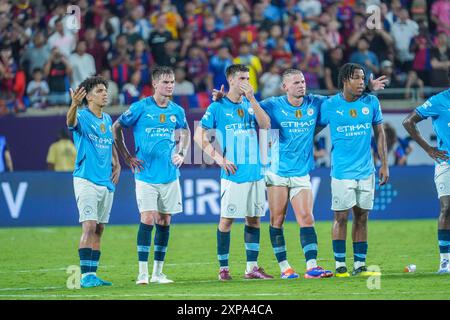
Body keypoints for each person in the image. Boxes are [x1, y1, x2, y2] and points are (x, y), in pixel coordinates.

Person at [212, 69, 387, 279]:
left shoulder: (315, 103)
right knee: (277, 220)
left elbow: (343, 97)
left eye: (303, 81)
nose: (301, 85)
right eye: (296, 82)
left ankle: (312, 266)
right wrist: (223, 99)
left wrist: (368, 88)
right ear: (284, 87)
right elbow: (245, 107)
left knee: (307, 217)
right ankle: (285, 267)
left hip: (301, 172)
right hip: (276, 170)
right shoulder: (273, 104)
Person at [194, 64, 272, 281]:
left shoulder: (250, 103)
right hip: (234, 173)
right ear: (230, 80)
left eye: (248, 77)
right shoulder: (217, 106)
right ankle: (223, 269)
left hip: (255, 172)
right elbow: (198, 136)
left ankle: (252, 268)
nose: (246, 81)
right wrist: (220, 159)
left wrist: (253, 100)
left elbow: (266, 125)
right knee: (226, 220)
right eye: (241, 78)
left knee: (254, 220)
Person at [113, 66, 190, 285]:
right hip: (145, 175)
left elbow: (185, 132)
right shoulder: (140, 107)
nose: (170, 85)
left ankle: (158, 273)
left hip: (170, 175)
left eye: (172, 82)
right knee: (147, 218)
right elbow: (116, 127)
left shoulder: (177, 110)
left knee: (165, 221)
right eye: (166, 82)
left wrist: (182, 153)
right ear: (155, 84)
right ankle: (142, 273)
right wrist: (127, 156)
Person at [318, 63, 389, 277]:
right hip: (341, 172)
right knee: (340, 217)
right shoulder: (330, 105)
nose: (362, 82)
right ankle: (340, 265)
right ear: (345, 80)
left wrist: (384, 163)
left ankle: (359, 265)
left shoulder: (371, 101)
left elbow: (380, 133)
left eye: (363, 78)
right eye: (357, 78)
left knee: (362, 217)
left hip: (367, 171)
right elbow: (312, 128)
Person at [66, 76, 121, 288]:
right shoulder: (82, 116)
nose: (105, 93)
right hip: (86, 179)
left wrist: (117, 163)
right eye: (99, 91)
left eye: (105, 90)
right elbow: (70, 123)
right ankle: (84, 276)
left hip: (106, 181)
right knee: (88, 226)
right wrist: (73, 105)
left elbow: (109, 143)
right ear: (88, 97)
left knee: (99, 229)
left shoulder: (107, 119)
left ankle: (92, 274)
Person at [402, 71, 450, 273]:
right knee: (447, 208)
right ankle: (445, 261)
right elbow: (408, 122)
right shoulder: (439, 101)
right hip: (447, 163)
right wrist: (429, 149)